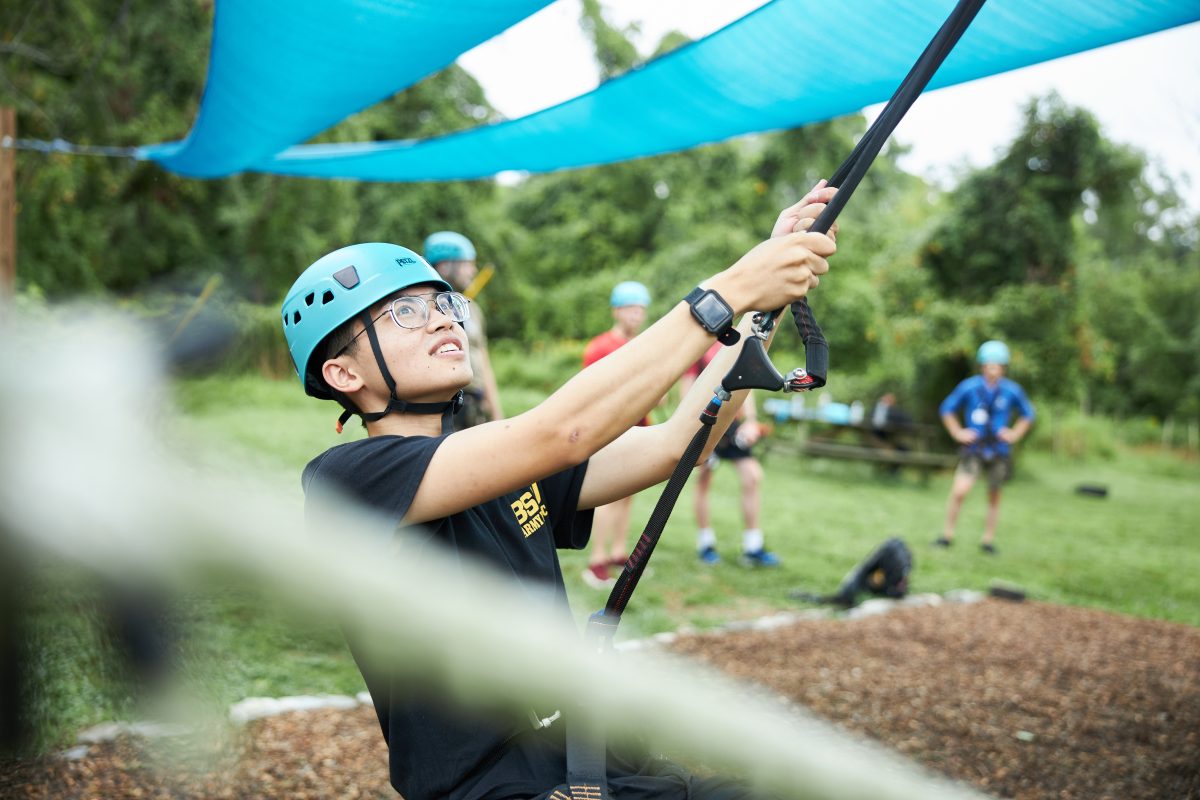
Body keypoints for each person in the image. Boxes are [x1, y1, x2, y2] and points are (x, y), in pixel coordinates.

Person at [281, 183, 838, 800]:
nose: (442, 317)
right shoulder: (348, 480)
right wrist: (728, 290)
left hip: (595, 761)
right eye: (403, 312)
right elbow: (564, 432)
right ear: (344, 374)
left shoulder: (502, 459)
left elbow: (677, 442)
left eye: (443, 304)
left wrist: (765, 306)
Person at [579, 280, 652, 589]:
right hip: (611, 428)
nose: (637, 315)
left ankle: (618, 553)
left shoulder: (644, 345)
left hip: (638, 424)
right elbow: (592, 391)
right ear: (617, 311)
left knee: (628, 492)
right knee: (608, 495)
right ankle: (596, 561)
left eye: (641, 310)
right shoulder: (599, 348)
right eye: (631, 309)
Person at [680, 344, 777, 567]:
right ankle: (706, 543)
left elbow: (748, 386)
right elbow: (687, 390)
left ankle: (753, 546)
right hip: (707, 422)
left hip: (733, 425)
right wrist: (695, 426)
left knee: (752, 476)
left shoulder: (740, 345)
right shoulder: (701, 345)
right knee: (704, 478)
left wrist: (751, 421)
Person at [936, 340, 1035, 554]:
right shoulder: (970, 387)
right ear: (982, 366)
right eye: (990, 365)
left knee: (994, 494)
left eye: (998, 365)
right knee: (960, 490)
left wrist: (1015, 434)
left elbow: (1028, 415)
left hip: (998, 449)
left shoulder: (1011, 391)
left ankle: (988, 540)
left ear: (1004, 368)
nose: (994, 370)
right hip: (974, 448)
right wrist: (957, 432)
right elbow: (947, 409)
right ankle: (947, 535)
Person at [423, 231, 504, 428]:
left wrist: (495, 412)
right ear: (444, 265)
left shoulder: (471, 308)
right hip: (445, 407)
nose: (473, 270)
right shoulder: (424, 310)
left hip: (475, 403)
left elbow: (483, 360)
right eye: (467, 263)